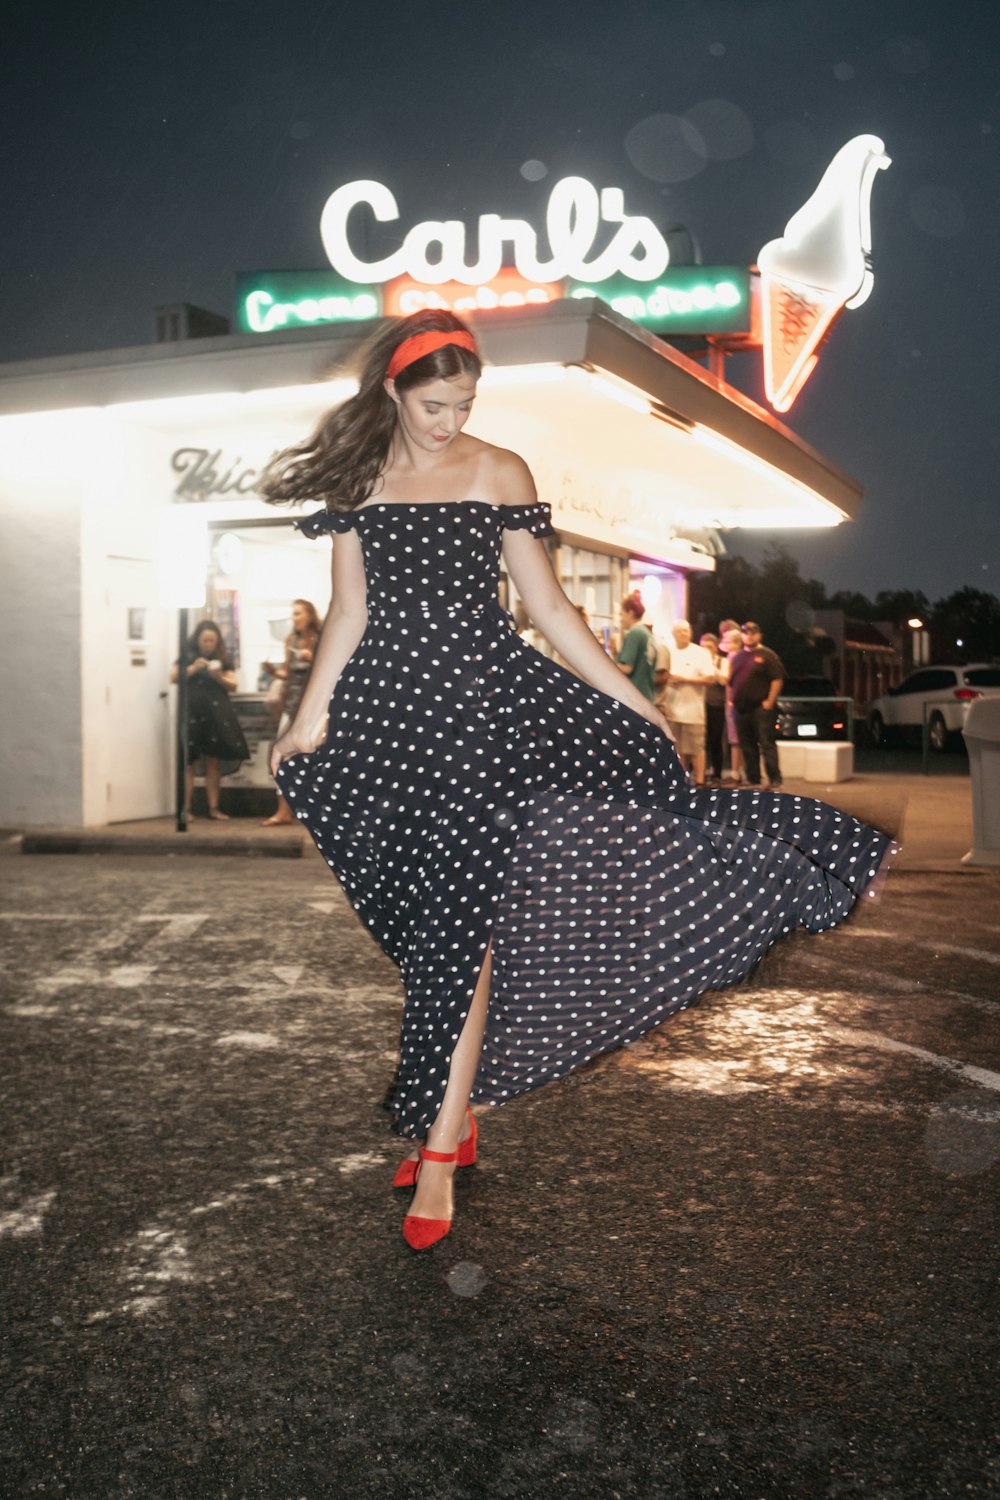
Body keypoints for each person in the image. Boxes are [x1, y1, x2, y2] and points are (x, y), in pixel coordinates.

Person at [263, 308, 892, 1253]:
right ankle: (456, 1107)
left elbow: (548, 605)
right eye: (434, 402)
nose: (449, 418)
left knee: (464, 933)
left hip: (483, 717)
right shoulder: (361, 474)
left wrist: (633, 701)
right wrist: (307, 719)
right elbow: (349, 611)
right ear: (392, 390)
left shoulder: (497, 469)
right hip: (392, 720)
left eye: (465, 400)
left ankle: (439, 1149)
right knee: (425, 927)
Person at [169, 620, 249, 820]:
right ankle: (185, 809)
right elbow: (173, 677)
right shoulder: (187, 657)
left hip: (216, 711)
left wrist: (218, 676)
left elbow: (233, 685)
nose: (208, 644)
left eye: (212, 640)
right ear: (197, 640)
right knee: (189, 760)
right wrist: (194, 668)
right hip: (192, 711)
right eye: (205, 640)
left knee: (214, 760)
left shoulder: (223, 659)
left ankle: (214, 808)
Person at [261, 599, 322, 826]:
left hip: (314, 705)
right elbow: (287, 672)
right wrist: (272, 671)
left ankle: (311, 808)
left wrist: (313, 659)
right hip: (292, 702)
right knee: (283, 755)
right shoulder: (292, 640)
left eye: (298, 614)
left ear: (310, 615)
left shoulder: (321, 639)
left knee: (312, 756)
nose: (295, 618)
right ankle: (283, 810)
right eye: (293, 614)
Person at [729, 621, 785, 788]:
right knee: (747, 745)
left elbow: (777, 679)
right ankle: (753, 779)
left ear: (759, 635)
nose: (750, 635)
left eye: (753, 632)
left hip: (760, 708)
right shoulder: (738, 657)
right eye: (746, 633)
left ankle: (774, 778)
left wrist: (770, 701)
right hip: (741, 708)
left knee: (766, 743)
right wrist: (732, 701)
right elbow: (732, 681)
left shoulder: (768, 655)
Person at [664, 619, 715, 787]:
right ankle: (681, 781)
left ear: (691, 633)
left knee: (696, 748)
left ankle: (700, 782)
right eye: (679, 631)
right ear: (673, 634)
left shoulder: (700, 653)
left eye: (686, 630)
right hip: (672, 708)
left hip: (693, 711)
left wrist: (685, 679)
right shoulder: (668, 652)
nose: (683, 634)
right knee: (677, 749)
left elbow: (709, 678)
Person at [616, 592, 657, 702]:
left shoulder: (634, 634)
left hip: (634, 697)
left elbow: (627, 668)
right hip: (647, 695)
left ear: (630, 613)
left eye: (622, 614)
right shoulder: (647, 634)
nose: (621, 619)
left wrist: (606, 663)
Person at [699, 632, 727, 785]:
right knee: (700, 741)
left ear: (715, 648)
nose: (705, 650)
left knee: (715, 740)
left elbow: (723, 680)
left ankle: (717, 773)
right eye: (703, 647)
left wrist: (711, 665)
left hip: (716, 705)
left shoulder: (723, 662)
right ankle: (699, 772)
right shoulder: (697, 661)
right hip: (699, 705)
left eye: (709, 647)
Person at [719, 625, 746, 784]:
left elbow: (727, 680)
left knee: (735, 738)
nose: (725, 643)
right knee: (735, 737)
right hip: (733, 701)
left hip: (733, 702)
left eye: (728, 641)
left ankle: (736, 772)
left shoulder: (734, 658)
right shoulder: (735, 657)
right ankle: (737, 771)